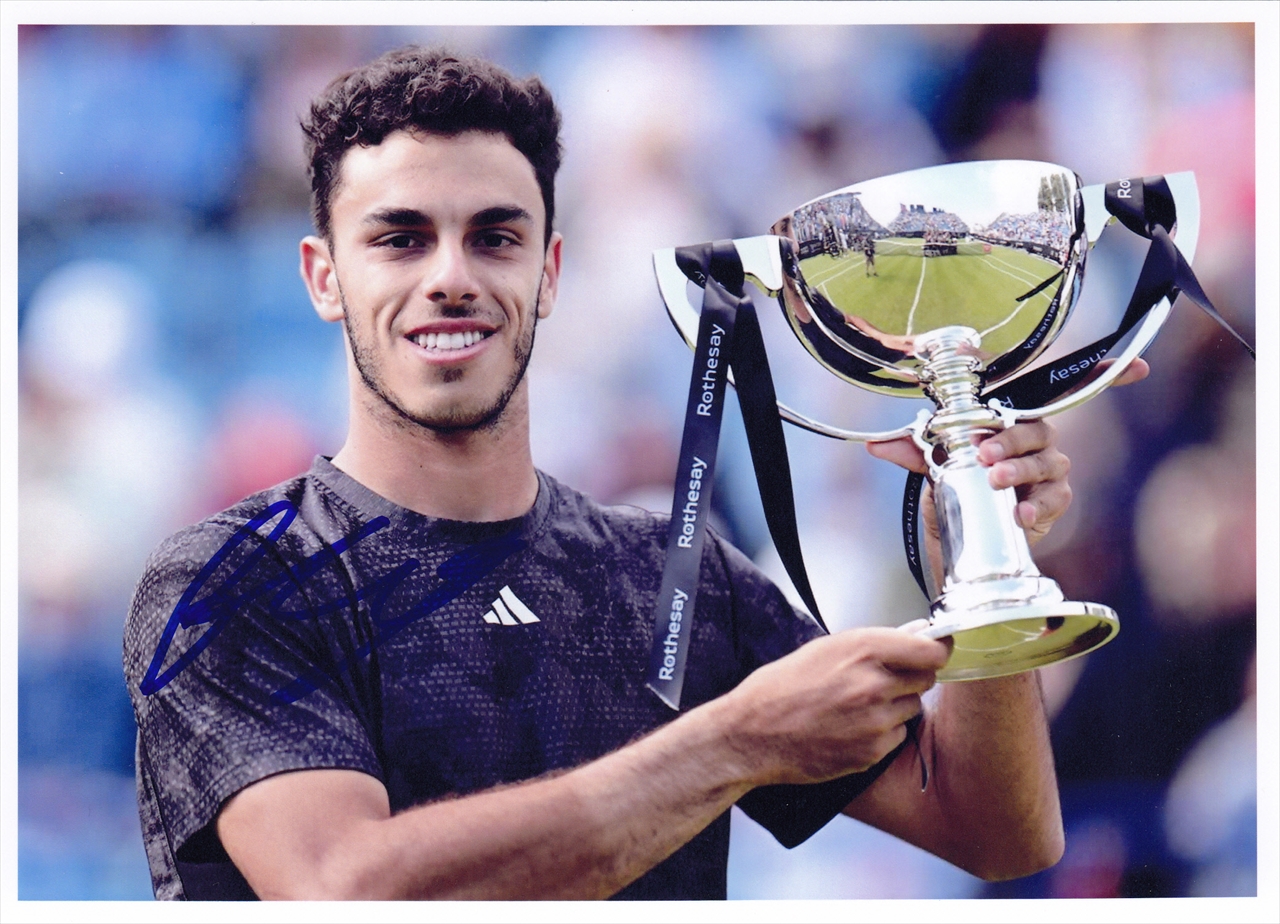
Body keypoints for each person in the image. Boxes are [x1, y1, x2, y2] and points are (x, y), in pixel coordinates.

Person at [123, 46, 1147, 901]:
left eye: (494, 237)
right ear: (323, 278)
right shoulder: (229, 580)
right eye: (399, 239)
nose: (451, 277)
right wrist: (730, 745)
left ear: (549, 273)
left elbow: (996, 831)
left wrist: (974, 552)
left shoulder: (671, 576)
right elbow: (345, 892)